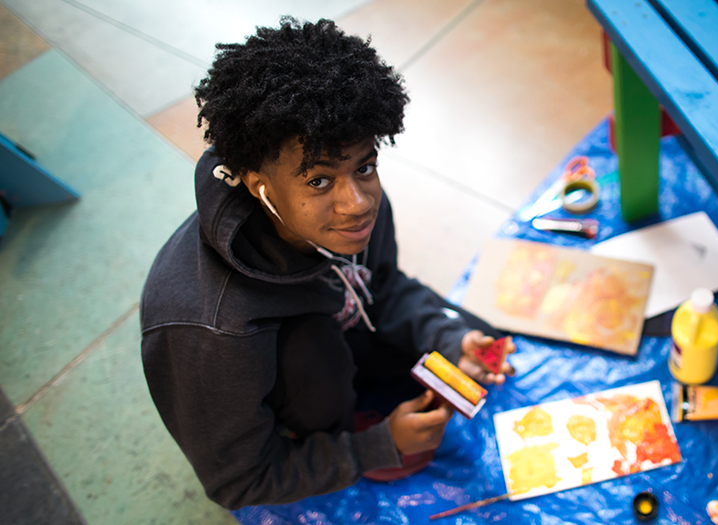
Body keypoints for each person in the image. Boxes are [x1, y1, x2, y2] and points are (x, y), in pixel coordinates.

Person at [140, 17, 513, 510]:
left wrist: (446, 338)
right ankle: (324, 424)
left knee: (468, 334)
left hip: (335, 323)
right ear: (259, 186)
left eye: (364, 166)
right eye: (318, 180)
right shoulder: (213, 330)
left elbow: (384, 285)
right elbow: (237, 481)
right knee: (318, 358)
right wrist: (376, 446)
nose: (357, 202)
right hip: (296, 374)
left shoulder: (348, 213)